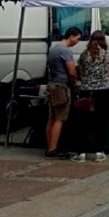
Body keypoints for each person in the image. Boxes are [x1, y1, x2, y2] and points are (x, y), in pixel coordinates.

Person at [70, 30, 109, 162]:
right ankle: (99, 151)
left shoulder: (84, 55)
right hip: (104, 90)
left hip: (87, 90)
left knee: (84, 122)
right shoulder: (108, 54)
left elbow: (79, 70)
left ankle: (81, 152)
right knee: (101, 121)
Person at [45, 26, 82, 158]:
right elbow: (71, 71)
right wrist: (75, 83)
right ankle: (53, 148)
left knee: (51, 118)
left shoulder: (53, 49)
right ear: (71, 36)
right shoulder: (66, 51)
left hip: (52, 85)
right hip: (61, 86)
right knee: (60, 118)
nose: (77, 41)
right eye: (77, 38)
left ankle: (49, 145)